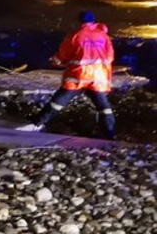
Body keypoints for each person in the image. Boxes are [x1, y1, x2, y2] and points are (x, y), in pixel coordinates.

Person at [19, 11, 116, 139]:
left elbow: (63, 54)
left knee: (58, 101)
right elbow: (110, 56)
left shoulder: (76, 35)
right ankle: (109, 135)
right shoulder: (104, 36)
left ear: (80, 21)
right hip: (99, 77)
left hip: (78, 76)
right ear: (94, 21)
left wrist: (56, 60)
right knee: (104, 107)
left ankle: (38, 123)